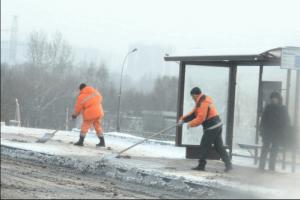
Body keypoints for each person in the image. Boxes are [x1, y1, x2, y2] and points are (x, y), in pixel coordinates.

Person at [178, 87, 233, 172]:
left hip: (212, 127)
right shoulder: (200, 102)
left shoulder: (203, 103)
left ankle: (201, 166)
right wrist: (183, 120)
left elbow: (201, 118)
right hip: (217, 125)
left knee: (204, 145)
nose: (192, 98)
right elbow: (193, 114)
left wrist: (191, 124)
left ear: (196, 95)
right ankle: (229, 165)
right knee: (219, 147)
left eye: (193, 96)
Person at [258, 91, 290, 171]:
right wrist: (262, 130)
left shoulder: (283, 108)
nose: (275, 99)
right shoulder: (268, 107)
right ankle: (261, 165)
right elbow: (263, 119)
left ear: (279, 99)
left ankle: (271, 166)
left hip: (277, 134)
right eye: (273, 98)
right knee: (265, 149)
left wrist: (284, 131)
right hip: (267, 132)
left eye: (276, 98)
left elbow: (287, 121)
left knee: (274, 151)